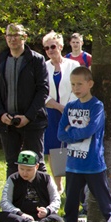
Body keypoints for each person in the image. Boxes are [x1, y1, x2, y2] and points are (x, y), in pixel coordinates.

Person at [42, 67, 111, 222]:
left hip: (93, 165)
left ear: (90, 84)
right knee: (70, 208)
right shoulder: (70, 107)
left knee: (106, 207)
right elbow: (60, 133)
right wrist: (73, 134)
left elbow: (89, 130)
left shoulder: (97, 106)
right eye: (73, 84)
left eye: (80, 84)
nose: (76, 87)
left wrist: (72, 134)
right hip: (73, 166)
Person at [0, 23, 49, 177]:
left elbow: (43, 90)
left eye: (16, 35)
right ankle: (13, 199)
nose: (12, 39)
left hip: (33, 121)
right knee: (12, 163)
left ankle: (43, 199)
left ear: (25, 37)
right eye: (9, 35)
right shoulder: (1, 60)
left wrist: (28, 116)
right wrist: (1, 114)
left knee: (37, 163)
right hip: (7, 122)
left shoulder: (36, 60)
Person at [41, 31, 79, 192]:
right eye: (46, 48)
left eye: (53, 46)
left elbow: (77, 87)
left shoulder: (73, 65)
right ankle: (58, 185)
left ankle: (73, 182)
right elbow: (41, 91)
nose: (50, 50)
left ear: (61, 46)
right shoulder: (43, 66)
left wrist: (67, 107)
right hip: (51, 111)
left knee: (72, 146)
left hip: (71, 111)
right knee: (53, 148)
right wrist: (57, 106)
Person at [0, 150, 63, 222]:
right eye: (21, 169)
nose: (24, 173)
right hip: (21, 214)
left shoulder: (46, 178)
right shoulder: (13, 179)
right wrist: (20, 213)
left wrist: (47, 210)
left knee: (57, 219)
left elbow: (56, 199)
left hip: (41, 214)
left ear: (37, 167)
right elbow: (5, 202)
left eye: (29, 170)